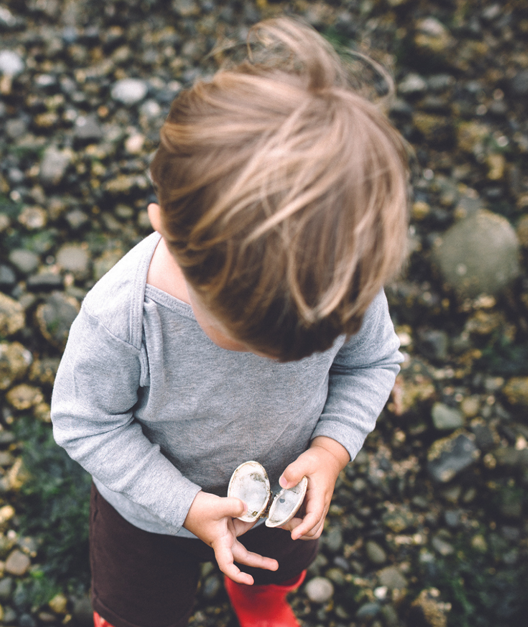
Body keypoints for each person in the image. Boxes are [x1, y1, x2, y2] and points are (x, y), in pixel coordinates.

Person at [49, 17, 411, 627]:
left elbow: (371, 361)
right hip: (149, 514)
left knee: (275, 569)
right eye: (249, 340)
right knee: (138, 612)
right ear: (166, 227)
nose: (271, 361)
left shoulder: (337, 281)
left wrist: (329, 449)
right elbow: (84, 423)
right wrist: (184, 505)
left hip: (279, 499)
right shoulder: (122, 319)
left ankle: (264, 603)